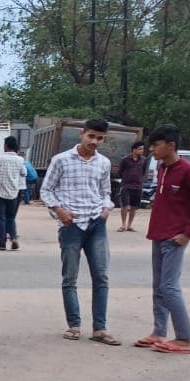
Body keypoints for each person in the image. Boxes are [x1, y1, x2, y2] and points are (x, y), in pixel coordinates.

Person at [135, 125, 190, 355]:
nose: (151, 150)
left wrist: (187, 234)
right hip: (157, 235)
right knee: (158, 288)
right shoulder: (162, 168)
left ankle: (184, 339)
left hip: (175, 238)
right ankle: (159, 332)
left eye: (155, 145)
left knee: (169, 287)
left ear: (171, 146)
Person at [40, 118, 120, 346]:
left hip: (96, 224)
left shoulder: (103, 163)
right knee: (70, 278)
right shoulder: (61, 160)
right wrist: (59, 211)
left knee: (101, 277)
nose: (94, 141)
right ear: (82, 134)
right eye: (91, 136)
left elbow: (106, 192)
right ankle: (74, 325)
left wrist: (105, 209)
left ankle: (100, 329)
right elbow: (46, 190)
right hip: (71, 225)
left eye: (100, 138)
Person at [0, 136, 26, 251]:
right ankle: (13, 238)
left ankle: (2, 243)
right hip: (13, 192)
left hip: (0, 192)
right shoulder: (20, 160)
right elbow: (24, 173)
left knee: (0, 218)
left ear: (5, 146)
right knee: (10, 217)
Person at [116, 141, 149, 232]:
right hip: (126, 185)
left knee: (134, 206)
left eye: (142, 149)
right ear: (134, 149)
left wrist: (140, 179)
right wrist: (126, 178)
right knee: (124, 205)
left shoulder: (144, 160)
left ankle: (129, 225)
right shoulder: (125, 160)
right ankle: (123, 225)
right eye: (140, 149)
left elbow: (144, 171)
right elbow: (120, 172)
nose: (142, 151)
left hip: (138, 186)